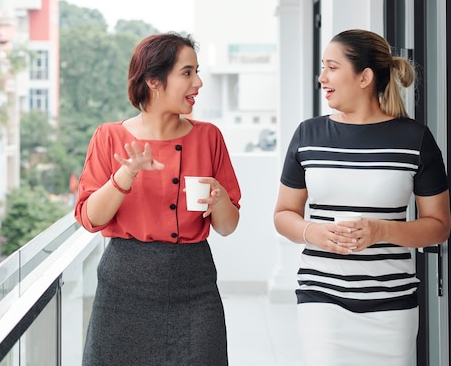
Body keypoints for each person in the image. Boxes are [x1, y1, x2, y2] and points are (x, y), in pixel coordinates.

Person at [273, 29, 450, 365]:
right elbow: (284, 214)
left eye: (332, 67)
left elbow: (439, 225)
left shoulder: (415, 139)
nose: (322, 77)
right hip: (321, 299)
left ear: (365, 76)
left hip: (392, 307)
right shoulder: (308, 135)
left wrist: (381, 231)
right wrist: (314, 232)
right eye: (322, 67)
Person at [74, 32, 241, 366]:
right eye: (187, 73)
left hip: (195, 286)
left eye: (197, 71)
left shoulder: (209, 138)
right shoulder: (109, 137)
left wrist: (220, 199)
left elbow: (227, 226)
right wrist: (126, 174)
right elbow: (90, 219)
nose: (198, 82)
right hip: (124, 287)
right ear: (153, 80)